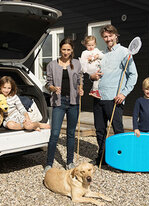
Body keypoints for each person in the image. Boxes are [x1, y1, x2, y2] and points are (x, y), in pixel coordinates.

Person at [90, 24, 138, 166]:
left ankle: (121, 159)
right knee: (100, 130)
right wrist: (92, 77)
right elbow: (94, 74)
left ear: (116, 36)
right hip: (98, 97)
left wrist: (123, 93)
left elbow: (133, 75)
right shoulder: (101, 54)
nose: (108, 38)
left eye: (110, 35)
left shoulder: (125, 52)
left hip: (114, 98)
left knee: (118, 130)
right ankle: (103, 157)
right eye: (105, 36)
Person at [44, 38, 84, 173]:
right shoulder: (52, 65)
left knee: (71, 134)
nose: (66, 52)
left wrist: (81, 88)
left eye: (68, 49)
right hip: (58, 102)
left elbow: (80, 79)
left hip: (73, 102)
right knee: (54, 133)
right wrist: (53, 88)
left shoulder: (77, 63)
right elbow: (47, 83)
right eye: (63, 49)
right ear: (60, 49)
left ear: (72, 50)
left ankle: (70, 162)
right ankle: (49, 164)